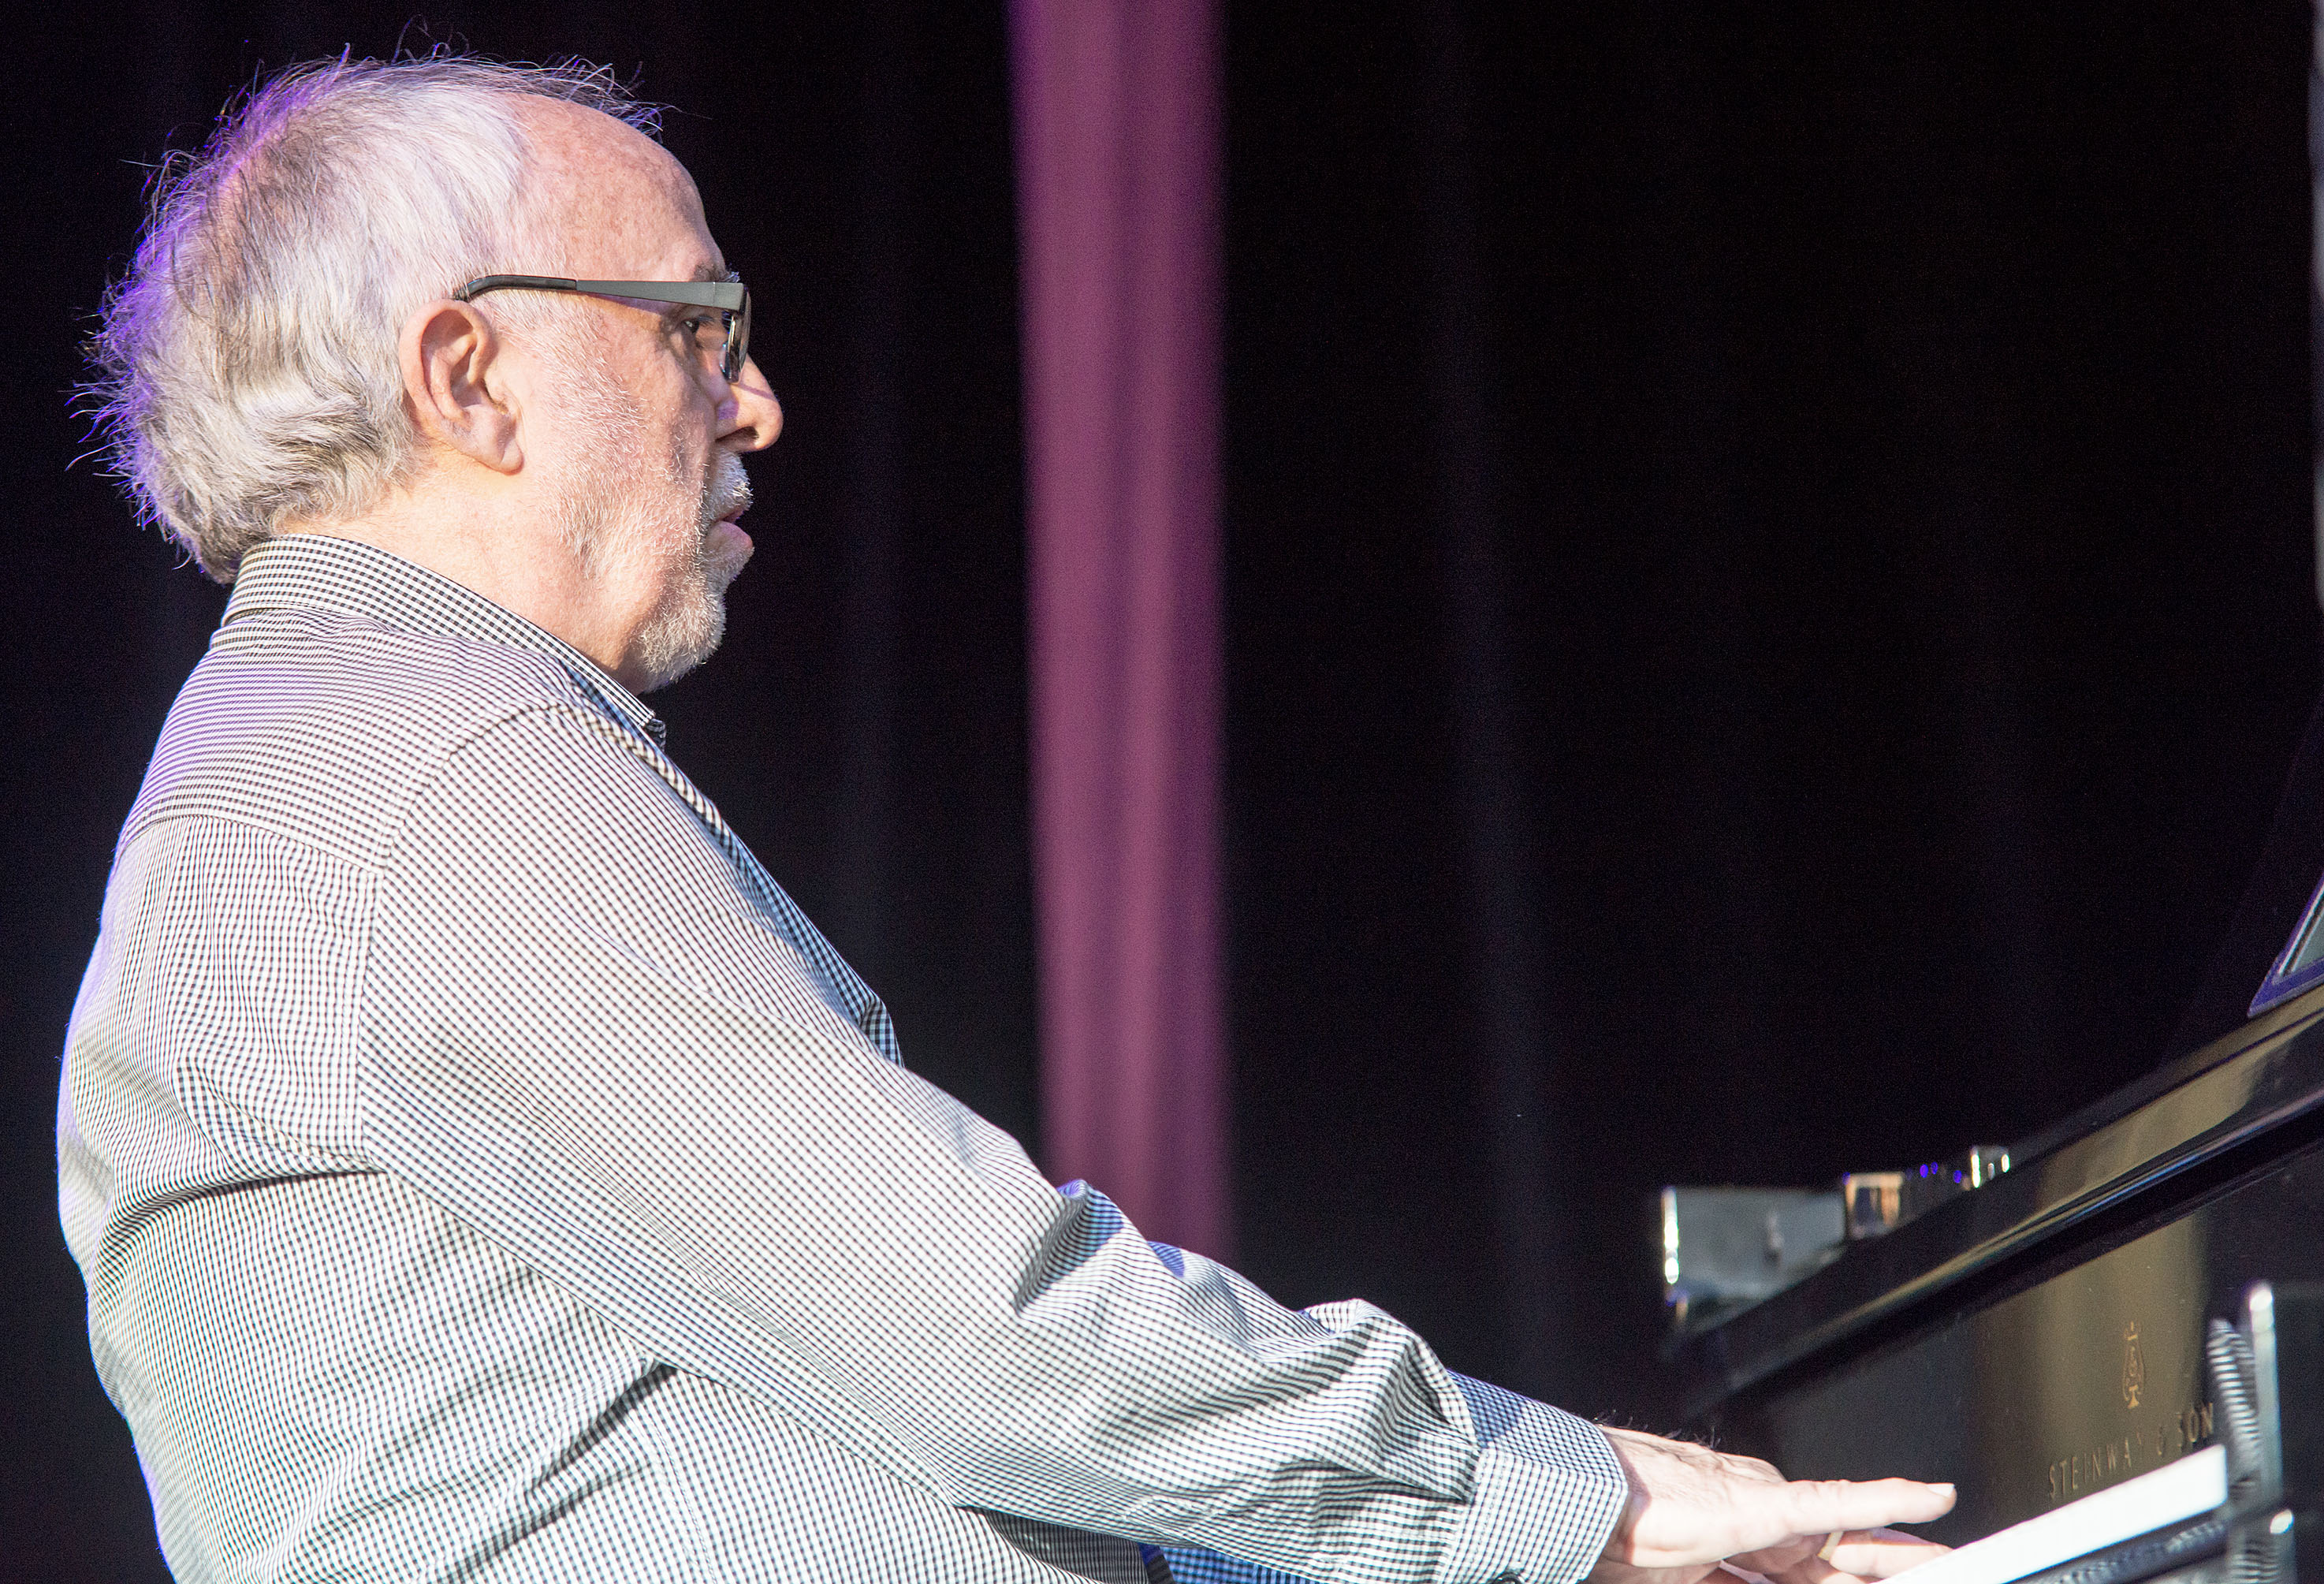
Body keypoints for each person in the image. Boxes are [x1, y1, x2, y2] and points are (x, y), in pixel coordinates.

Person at [60, 54, 1954, 1584]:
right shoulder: (429, 767)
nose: (759, 404)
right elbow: (983, 1331)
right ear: (468, 376)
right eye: (693, 331)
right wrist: (1564, 1504)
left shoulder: (343, 752)